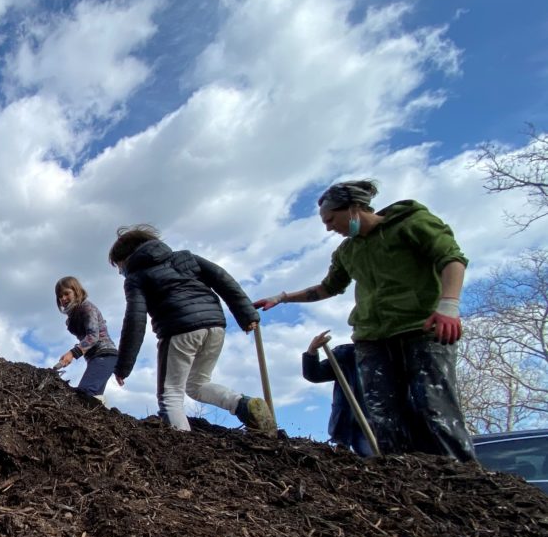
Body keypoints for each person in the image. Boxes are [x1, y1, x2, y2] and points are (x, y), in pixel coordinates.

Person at [254, 180, 474, 461]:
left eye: (332, 219)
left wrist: (448, 306)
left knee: (434, 408)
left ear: (355, 208)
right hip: (372, 337)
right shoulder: (348, 251)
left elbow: (451, 258)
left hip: (420, 328)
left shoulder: (412, 223)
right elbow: (326, 288)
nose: (329, 227)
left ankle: (464, 478)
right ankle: (403, 478)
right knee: (383, 415)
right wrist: (282, 297)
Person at [109, 224, 274, 432]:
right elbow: (222, 278)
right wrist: (247, 314)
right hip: (215, 326)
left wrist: (123, 365)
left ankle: (181, 445)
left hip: (179, 330)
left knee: (170, 395)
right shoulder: (185, 257)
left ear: (127, 258)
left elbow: (135, 320)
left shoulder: (136, 277)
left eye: (119, 266)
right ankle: (242, 404)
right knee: (197, 385)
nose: (121, 271)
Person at [302, 330, 373, 457]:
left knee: (375, 458)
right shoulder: (346, 356)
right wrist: (312, 351)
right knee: (345, 460)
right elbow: (314, 374)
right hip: (347, 421)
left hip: (378, 424)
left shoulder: (391, 356)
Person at [52, 276, 118, 399]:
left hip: (104, 354)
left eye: (67, 293)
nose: (63, 298)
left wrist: (72, 353)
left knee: (83, 395)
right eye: (60, 296)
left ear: (76, 291)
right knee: (93, 399)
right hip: (95, 358)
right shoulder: (72, 317)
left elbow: (93, 336)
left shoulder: (87, 308)